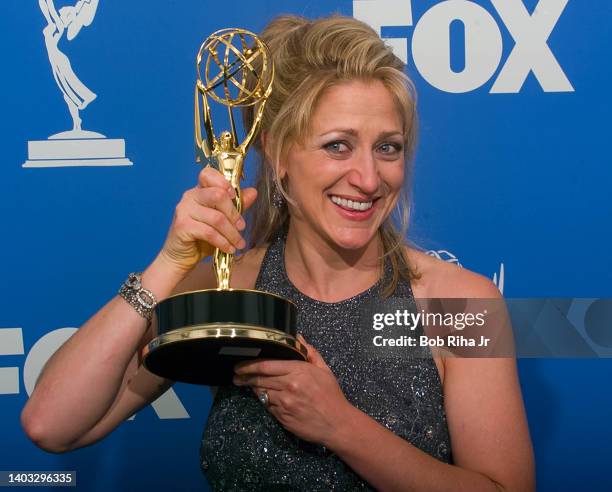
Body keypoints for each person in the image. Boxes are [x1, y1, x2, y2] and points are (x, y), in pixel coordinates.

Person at [21, 14, 535, 491]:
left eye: (388, 147)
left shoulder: (459, 304)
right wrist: (169, 266)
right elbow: (52, 425)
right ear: (277, 152)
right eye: (337, 145)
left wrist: (342, 427)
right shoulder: (230, 291)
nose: (369, 178)